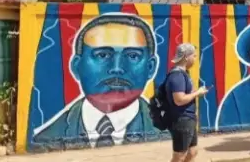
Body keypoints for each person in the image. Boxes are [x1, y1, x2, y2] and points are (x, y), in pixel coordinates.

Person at [32, 13, 166, 147]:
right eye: (102, 55)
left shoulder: (165, 134)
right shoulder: (45, 140)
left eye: (132, 56)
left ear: (150, 67)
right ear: (77, 66)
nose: (117, 68)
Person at [165, 43, 210, 162]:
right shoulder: (177, 76)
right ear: (186, 57)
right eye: (194, 56)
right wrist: (197, 93)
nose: (195, 59)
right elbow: (179, 99)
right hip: (181, 119)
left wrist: (195, 93)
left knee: (192, 152)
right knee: (179, 155)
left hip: (188, 118)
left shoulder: (184, 74)